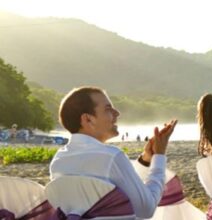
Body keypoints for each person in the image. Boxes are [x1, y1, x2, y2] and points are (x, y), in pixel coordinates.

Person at [49, 87, 177, 219]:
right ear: (88, 119)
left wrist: (145, 160)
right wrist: (159, 157)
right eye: (108, 109)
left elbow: (119, 190)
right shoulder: (111, 157)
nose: (117, 113)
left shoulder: (58, 161)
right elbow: (146, 209)